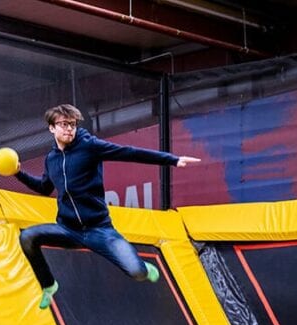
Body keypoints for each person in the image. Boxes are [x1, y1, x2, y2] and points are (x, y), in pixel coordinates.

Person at [10, 104, 201, 309]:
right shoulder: (51, 159)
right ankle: (49, 285)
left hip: (99, 230)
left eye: (72, 124)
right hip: (68, 229)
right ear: (51, 128)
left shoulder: (89, 146)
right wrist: (18, 173)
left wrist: (173, 159)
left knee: (137, 273)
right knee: (27, 237)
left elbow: (129, 153)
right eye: (64, 124)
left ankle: (144, 268)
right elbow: (44, 188)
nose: (69, 129)